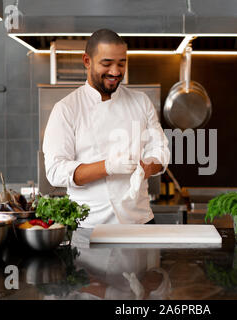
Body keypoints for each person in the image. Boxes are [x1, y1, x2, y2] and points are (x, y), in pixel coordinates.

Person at [43, 29, 170, 228]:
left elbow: (160, 150)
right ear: (87, 61)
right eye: (107, 63)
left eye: (121, 63)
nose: (116, 71)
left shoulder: (141, 102)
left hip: (140, 222)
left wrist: (147, 167)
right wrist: (108, 167)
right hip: (88, 226)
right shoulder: (67, 109)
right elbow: (55, 170)